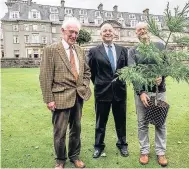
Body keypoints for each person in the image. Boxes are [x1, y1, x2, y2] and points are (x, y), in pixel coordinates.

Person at [39, 17, 91, 169]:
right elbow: (45, 76)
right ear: (62, 31)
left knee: (76, 129)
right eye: (71, 32)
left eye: (76, 32)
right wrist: (49, 99)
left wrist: (84, 85)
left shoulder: (80, 50)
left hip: (78, 97)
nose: (74, 35)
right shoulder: (51, 50)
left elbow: (87, 71)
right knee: (60, 132)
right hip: (60, 97)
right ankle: (60, 160)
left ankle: (74, 156)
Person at [128, 22, 168, 167]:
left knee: (160, 122)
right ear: (136, 33)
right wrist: (141, 92)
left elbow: (167, 66)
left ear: (148, 30)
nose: (142, 31)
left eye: (144, 28)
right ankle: (144, 151)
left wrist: (161, 76)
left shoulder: (160, 46)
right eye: (139, 30)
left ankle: (160, 152)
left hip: (159, 91)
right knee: (142, 122)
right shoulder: (132, 51)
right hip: (142, 93)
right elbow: (133, 72)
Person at [87, 23, 129, 158]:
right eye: (104, 31)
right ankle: (98, 146)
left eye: (110, 30)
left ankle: (122, 144)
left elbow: (127, 70)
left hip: (120, 92)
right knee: (100, 122)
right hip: (102, 92)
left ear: (114, 33)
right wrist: (99, 84)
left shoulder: (123, 50)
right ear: (101, 34)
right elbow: (91, 72)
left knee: (121, 121)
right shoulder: (94, 51)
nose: (108, 33)